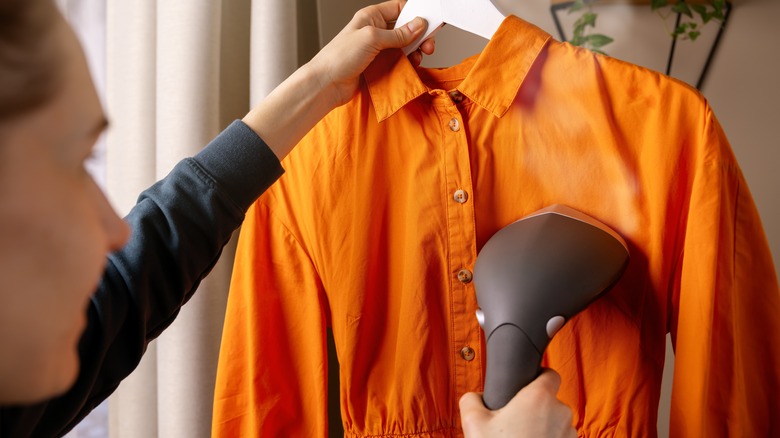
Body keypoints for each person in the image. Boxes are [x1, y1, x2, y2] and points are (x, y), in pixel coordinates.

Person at [0, 0, 576, 436]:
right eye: (76, 164)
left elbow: (140, 269)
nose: (114, 229)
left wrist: (320, 84)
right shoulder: (318, 160)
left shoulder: (654, 120)